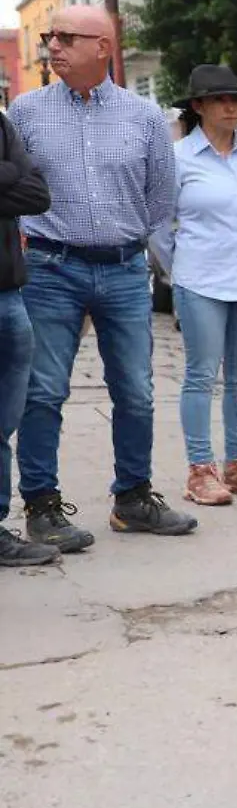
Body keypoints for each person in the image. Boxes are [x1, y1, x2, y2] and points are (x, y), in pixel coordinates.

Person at [11, 4, 197, 549]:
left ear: (103, 47)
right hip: (50, 267)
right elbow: (13, 186)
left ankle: (134, 498)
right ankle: (42, 506)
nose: (52, 47)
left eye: (65, 38)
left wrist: (131, 237)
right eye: (49, 37)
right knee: (42, 391)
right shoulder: (25, 112)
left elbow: (162, 195)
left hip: (121, 269)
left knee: (136, 390)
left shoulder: (142, 118)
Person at [150, 65, 237, 506]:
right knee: (201, 375)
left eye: (236, 99)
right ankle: (200, 469)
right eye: (220, 99)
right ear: (198, 107)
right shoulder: (179, 158)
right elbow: (157, 225)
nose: (231, 106)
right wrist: (182, 266)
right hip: (201, 280)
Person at [0, 104, 57, 566]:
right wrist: (8, 174)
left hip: (8, 294)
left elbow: (37, 194)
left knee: (3, 419)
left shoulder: (0, 124)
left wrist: (14, 174)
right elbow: (19, 181)